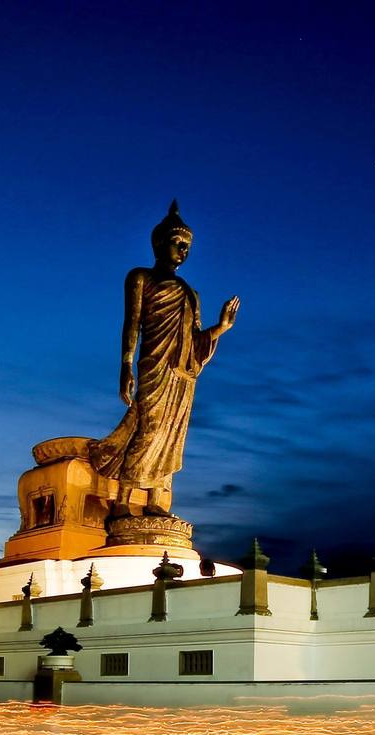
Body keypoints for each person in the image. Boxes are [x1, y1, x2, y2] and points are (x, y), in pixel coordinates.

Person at [90, 201, 239, 518]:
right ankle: (122, 501)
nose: (183, 250)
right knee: (149, 428)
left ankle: (157, 498)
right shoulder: (140, 277)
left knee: (172, 436)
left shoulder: (191, 294)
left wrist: (222, 328)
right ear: (159, 243)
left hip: (182, 373)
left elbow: (196, 339)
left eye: (187, 246)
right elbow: (132, 323)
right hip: (155, 365)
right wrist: (125, 366)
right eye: (178, 243)